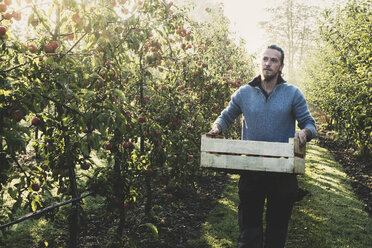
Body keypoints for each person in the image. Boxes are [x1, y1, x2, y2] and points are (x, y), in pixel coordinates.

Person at [208, 44, 316, 248]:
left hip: (283, 171)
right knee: (249, 229)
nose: (268, 63)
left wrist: (305, 132)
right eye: (265, 59)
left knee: (277, 229)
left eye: (274, 60)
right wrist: (216, 128)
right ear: (260, 62)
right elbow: (226, 116)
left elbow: (310, 124)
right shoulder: (244, 93)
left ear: (281, 66)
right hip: (252, 170)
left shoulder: (293, 93)